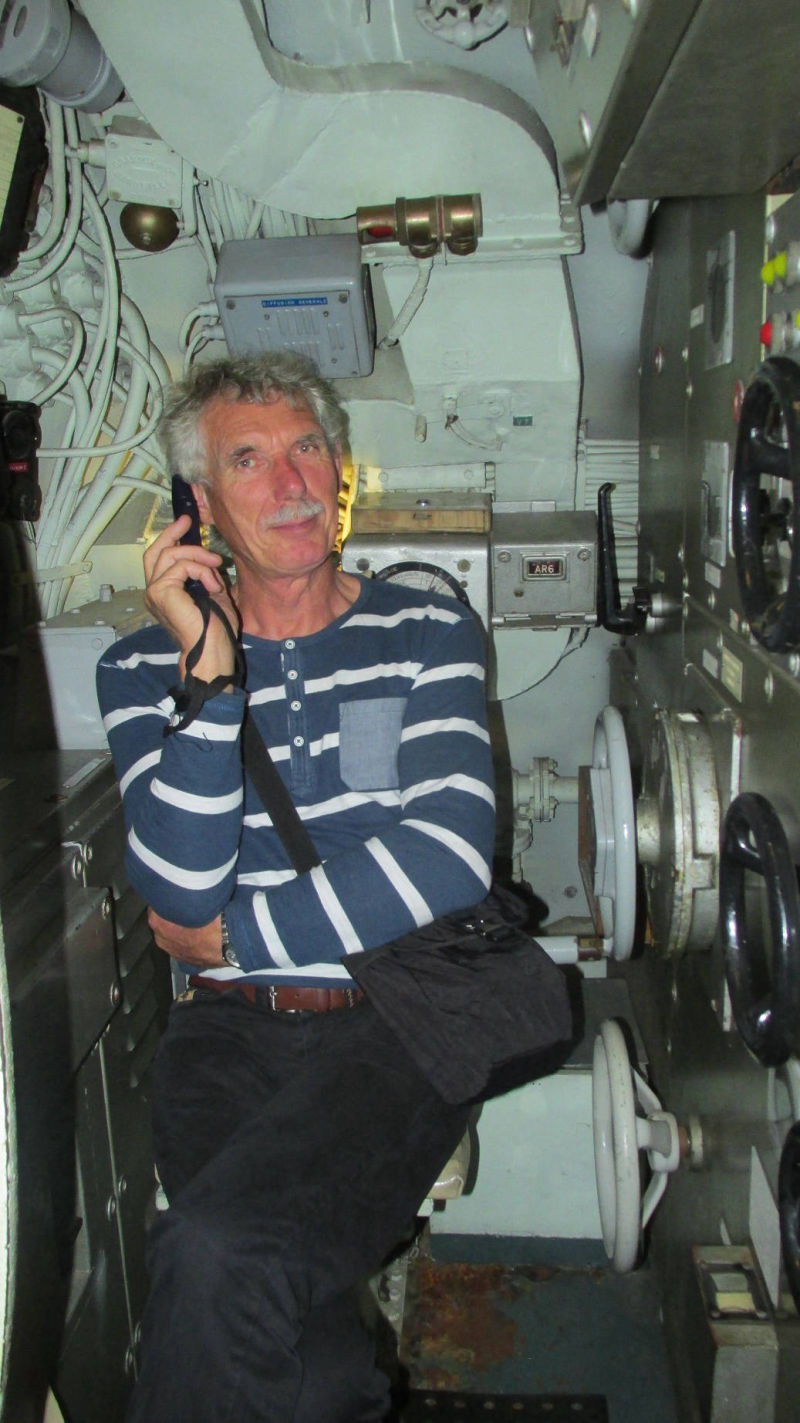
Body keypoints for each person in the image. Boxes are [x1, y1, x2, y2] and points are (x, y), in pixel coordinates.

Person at [96, 350, 496, 1423]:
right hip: (223, 1038)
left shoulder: (425, 630)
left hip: (398, 1027)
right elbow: (180, 891)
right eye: (248, 460)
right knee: (303, 1363)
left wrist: (236, 939)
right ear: (198, 504)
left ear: (338, 466)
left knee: (214, 1250)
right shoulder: (139, 670)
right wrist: (211, 674)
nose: (291, 483)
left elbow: (448, 856)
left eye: (307, 447)